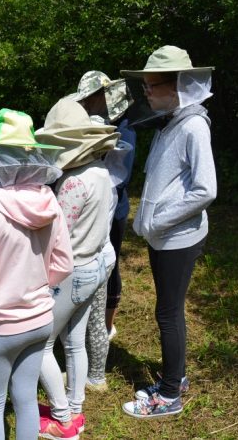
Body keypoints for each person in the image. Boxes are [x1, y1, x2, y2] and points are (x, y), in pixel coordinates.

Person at [0, 109, 73, 440]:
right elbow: (64, 263)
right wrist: (36, 287)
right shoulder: (49, 200)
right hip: (40, 318)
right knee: (25, 397)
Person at [120, 45, 217, 418]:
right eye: (144, 86)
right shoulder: (170, 120)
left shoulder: (192, 125)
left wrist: (157, 220)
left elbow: (205, 189)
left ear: (178, 85)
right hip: (164, 236)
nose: (146, 93)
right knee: (168, 312)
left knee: (168, 314)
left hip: (177, 237)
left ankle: (170, 395)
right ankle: (175, 375)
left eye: (151, 86)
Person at [35, 99, 119, 439]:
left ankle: (62, 418)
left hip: (73, 271)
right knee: (75, 341)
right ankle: (76, 405)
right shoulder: (101, 172)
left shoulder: (72, 182)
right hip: (96, 263)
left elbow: (60, 236)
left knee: (41, 342)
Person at [67, 70, 136, 392]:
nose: (88, 103)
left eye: (91, 98)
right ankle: (95, 368)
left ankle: (105, 331)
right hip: (96, 228)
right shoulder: (86, 122)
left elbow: (120, 174)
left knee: (106, 282)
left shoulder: (124, 125)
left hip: (106, 216)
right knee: (101, 280)